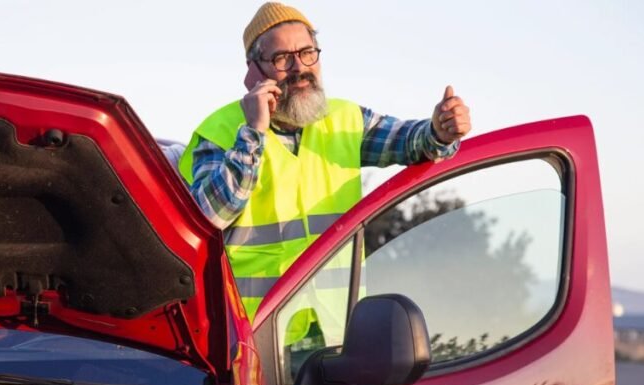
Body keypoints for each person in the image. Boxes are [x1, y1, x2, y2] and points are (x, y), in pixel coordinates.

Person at [179, 2, 471, 320]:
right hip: (255, 334)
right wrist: (253, 133)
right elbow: (208, 218)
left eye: (307, 53)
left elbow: (410, 141)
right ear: (253, 71)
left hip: (337, 329)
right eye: (281, 58)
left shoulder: (344, 119)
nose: (299, 67)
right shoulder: (219, 132)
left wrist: (440, 132)